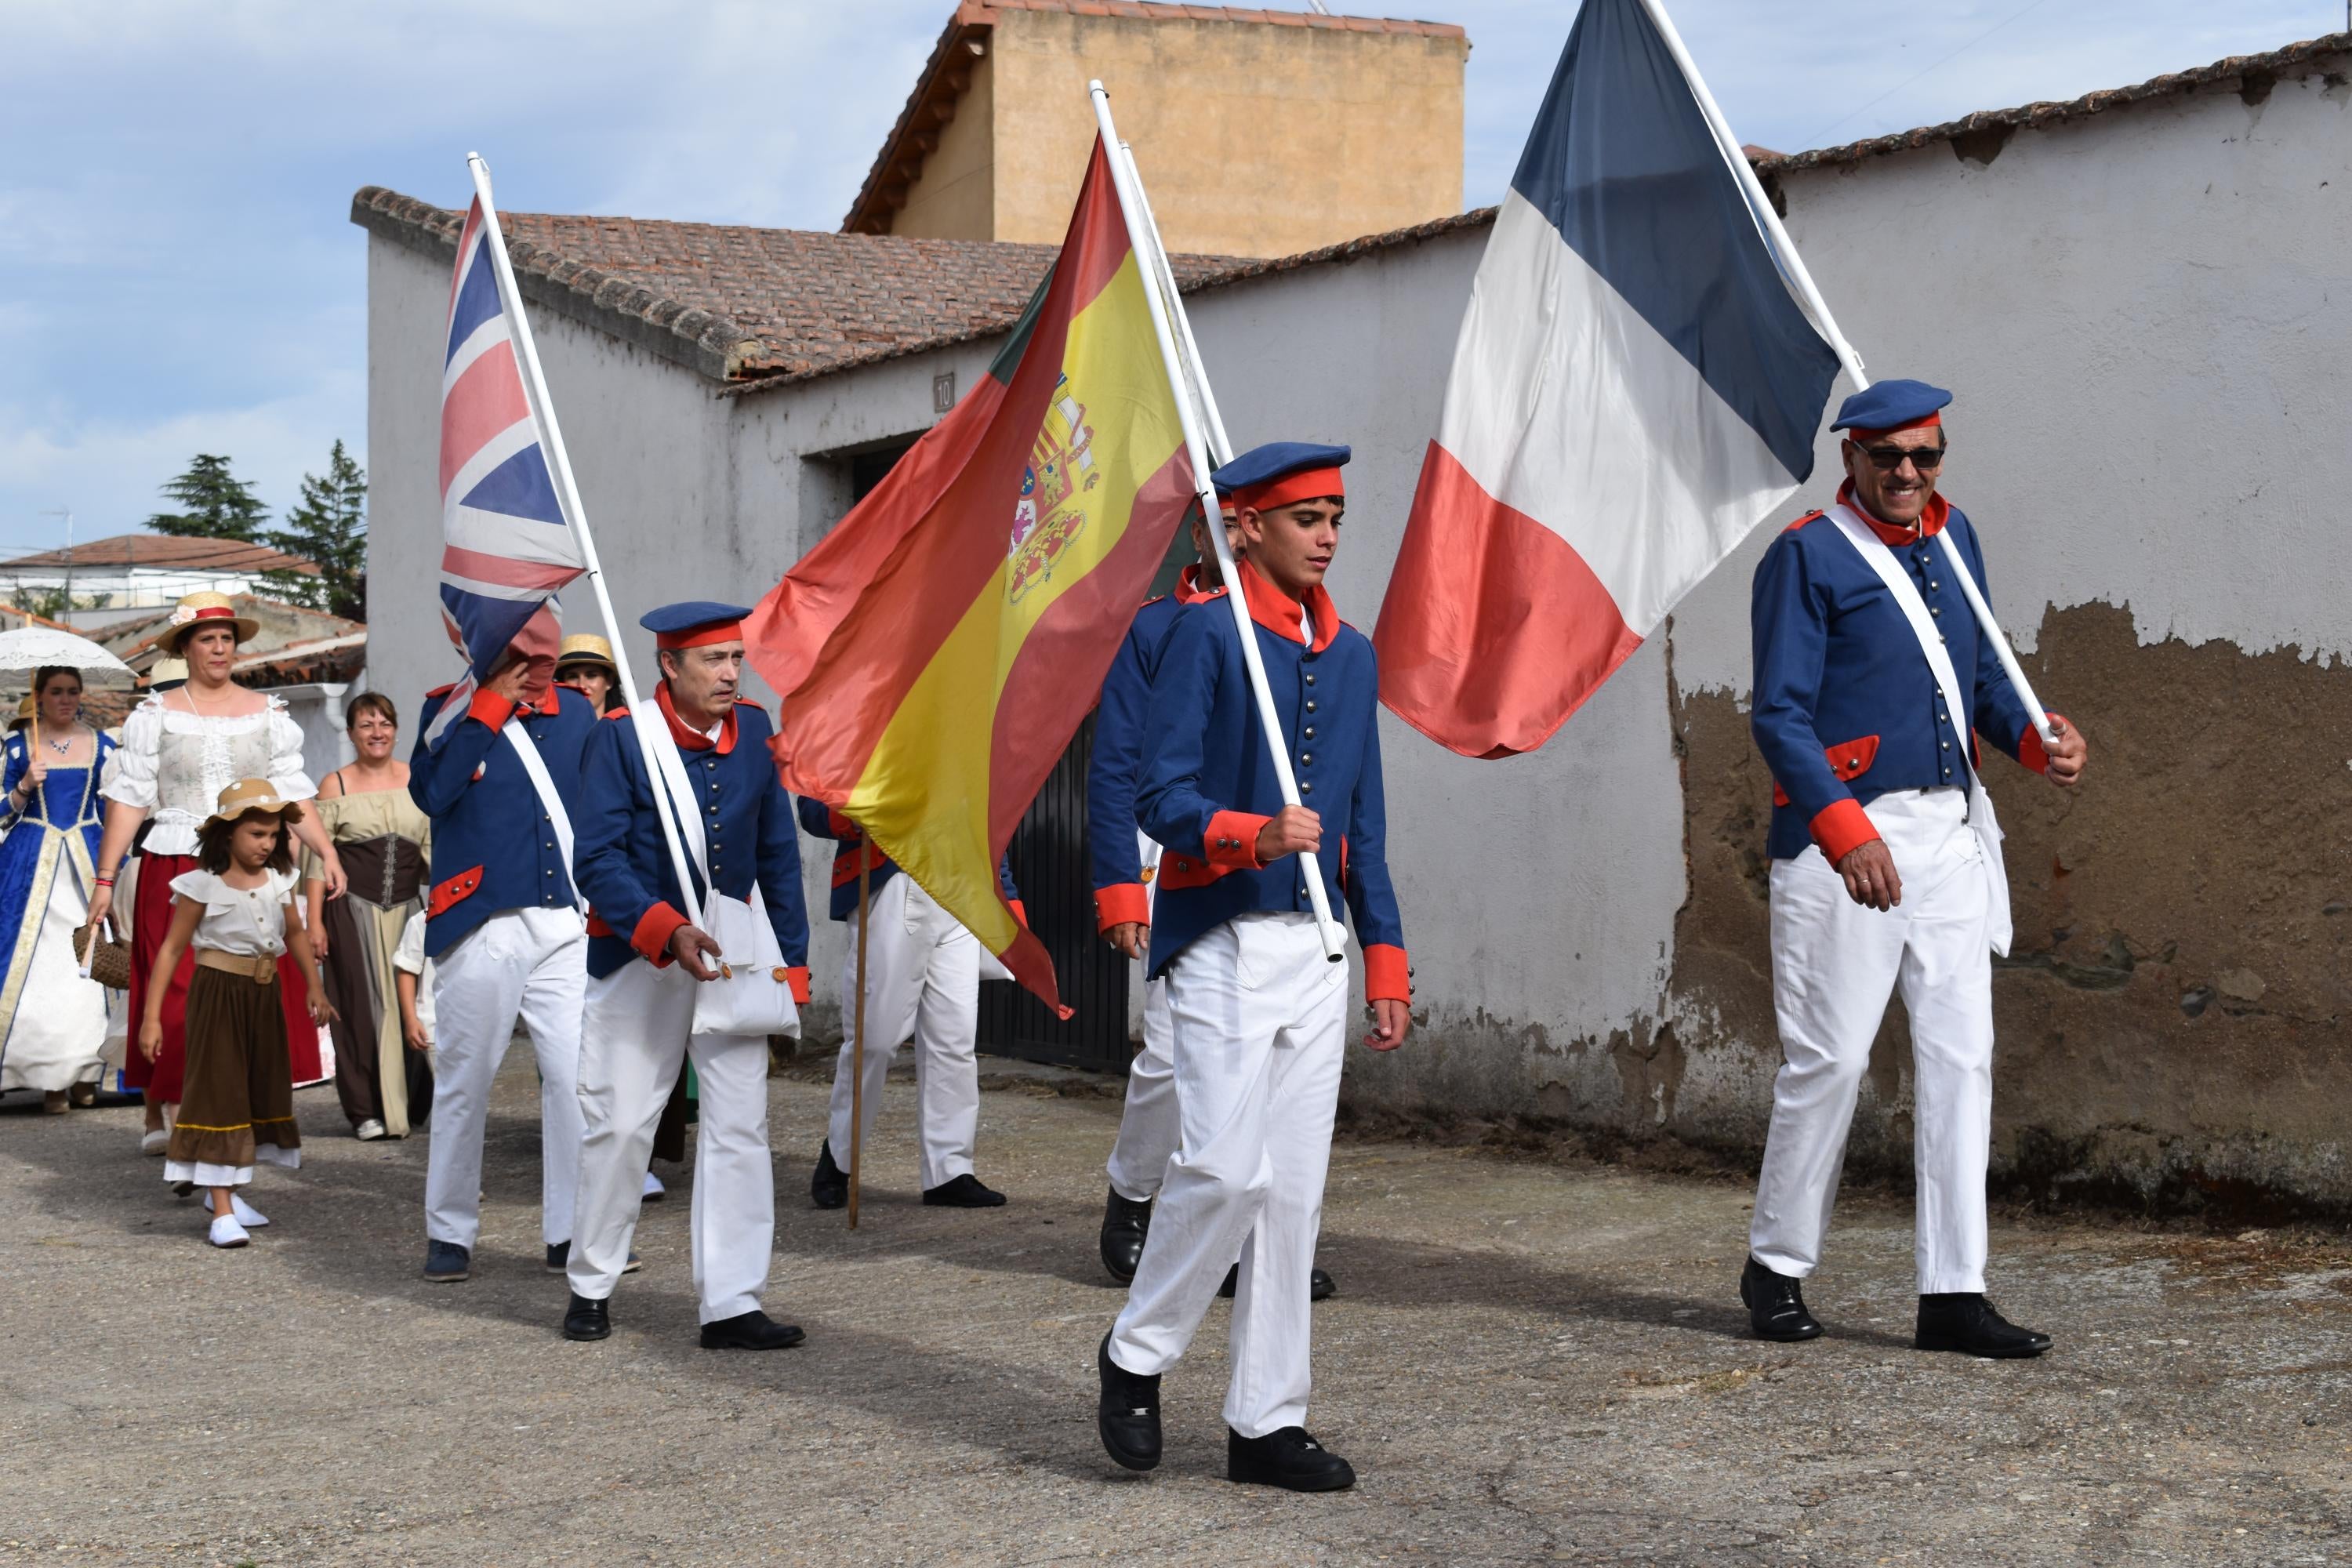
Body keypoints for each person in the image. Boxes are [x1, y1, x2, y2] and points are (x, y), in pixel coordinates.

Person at [1740, 379, 2087, 1359]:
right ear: (1849, 456)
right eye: (1886, 456)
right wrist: (1847, 831)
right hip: (1841, 836)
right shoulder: (1806, 554)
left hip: (1948, 834)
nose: (1906, 473)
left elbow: (1976, 679)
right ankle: (1775, 1261)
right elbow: (1780, 715)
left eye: (1924, 456)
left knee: (1960, 1059)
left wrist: (2034, 739)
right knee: (1832, 1059)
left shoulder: (1956, 537)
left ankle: (1953, 1291)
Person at [1095, 442, 1410, 1493]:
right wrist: (1245, 832)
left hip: (1316, 947)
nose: (1326, 536)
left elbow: (1364, 819)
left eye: (1335, 517)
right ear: (1248, 527)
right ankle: (1137, 1353)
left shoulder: (1355, 654)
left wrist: (1387, 960)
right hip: (1221, 934)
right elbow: (1156, 793)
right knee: (1225, 1170)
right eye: (1305, 517)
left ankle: (1266, 1422)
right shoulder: (1201, 633)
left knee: (1291, 1199)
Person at [1090, 505, 1340, 1304]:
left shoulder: (1305, 630)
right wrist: (1121, 884)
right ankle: (1133, 1188)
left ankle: (1261, 1242)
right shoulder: (1159, 627)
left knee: (1271, 1066)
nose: (1235, 541)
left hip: (1278, 869)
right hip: (1179, 853)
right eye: (1218, 527)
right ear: (1199, 536)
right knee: (1169, 1055)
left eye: (1245, 524)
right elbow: (1117, 765)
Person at [561, 602, 811, 1348]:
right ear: (669, 667)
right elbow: (596, 860)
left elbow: (777, 856)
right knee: (622, 1122)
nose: (732, 673)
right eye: (714, 660)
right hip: (643, 955)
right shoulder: (622, 739)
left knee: (740, 1125)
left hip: (733, 952)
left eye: (737, 658)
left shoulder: (757, 732)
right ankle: (592, 1280)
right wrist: (665, 930)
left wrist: (791, 965)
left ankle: (731, 1301)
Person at [86, 593, 343, 1156]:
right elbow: (129, 800)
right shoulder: (155, 715)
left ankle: (227, 1116)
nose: (220, 647)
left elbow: (293, 793)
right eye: (207, 638)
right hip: (176, 862)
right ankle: (185, 1124)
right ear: (186, 647)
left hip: (251, 867)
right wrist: (105, 879)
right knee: (179, 992)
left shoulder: (267, 714)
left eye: (227, 637)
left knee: (252, 989)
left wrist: (326, 851)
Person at [409, 652, 597, 1283]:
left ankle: (570, 1231)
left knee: (574, 1080)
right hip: (482, 917)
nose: (538, 663)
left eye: (546, 649)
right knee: (467, 1080)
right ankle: (450, 1230)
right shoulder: (450, 709)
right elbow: (432, 793)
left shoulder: (577, 711)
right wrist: (488, 706)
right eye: (523, 651)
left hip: (567, 922)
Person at [138, 779, 334, 1248]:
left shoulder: (280, 881)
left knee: (253, 1089)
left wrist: (314, 988)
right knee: (219, 1092)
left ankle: (225, 1192)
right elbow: (170, 950)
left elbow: (296, 934)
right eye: (256, 834)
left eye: (273, 835)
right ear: (227, 835)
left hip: (263, 995)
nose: (267, 845)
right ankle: (221, 1210)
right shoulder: (200, 885)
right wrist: (151, 1018)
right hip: (218, 994)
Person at [800, 804, 1022, 1210]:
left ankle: (949, 1170)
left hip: (965, 882)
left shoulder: (971, 738)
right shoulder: (857, 735)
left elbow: (989, 807)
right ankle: (840, 1155)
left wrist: (1006, 894)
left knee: (954, 1040)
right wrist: (861, 812)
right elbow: (813, 809)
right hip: (895, 878)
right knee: (875, 1039)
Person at [557, 631, 683, 1203]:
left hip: (632, 897)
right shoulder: (555, 734)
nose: (582, 683)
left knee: (652, 1049)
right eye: (571, 674)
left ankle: (646, 1153)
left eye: (592, 673)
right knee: (591, 1043)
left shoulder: (639, 734)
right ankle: (594, 1148)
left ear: (610, 680)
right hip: (568, 889)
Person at [305, 692, 432, 1141]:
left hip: (408, 912)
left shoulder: (419, 778)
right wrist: (315, 922)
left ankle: (411, 1102)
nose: (377, 733)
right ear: (352, 733)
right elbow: (318, 862)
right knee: (359, 1009)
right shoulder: (334, 785)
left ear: (396, 729)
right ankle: (364, 1110)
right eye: (365, 725)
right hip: (352, 912)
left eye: (384, 723)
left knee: (411, 1006)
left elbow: (436, 850)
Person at [0, 667, 117, 1111]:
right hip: (28, 866)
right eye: (56, 692)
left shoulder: (105, 746)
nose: (65, 699)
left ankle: (88, 1071)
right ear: (39, 696)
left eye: (73, 692)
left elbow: (113, 811)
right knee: (38, 971)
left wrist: (115, 868)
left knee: (88, 970)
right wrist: (24, 787)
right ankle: (50, 1078)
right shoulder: (17, 748)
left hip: (88, 861)